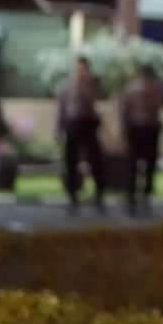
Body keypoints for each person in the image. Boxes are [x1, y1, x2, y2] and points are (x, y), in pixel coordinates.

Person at [56, 56, 106, 214]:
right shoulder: (66, 86)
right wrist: (59, 129)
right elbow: (61, 109)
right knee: (71, 161)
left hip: (89, 124)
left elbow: (96, 100)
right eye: (79, 68)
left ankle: (99, 194)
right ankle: (72, 195)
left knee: (95, 160)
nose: (81, 71)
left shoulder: (92, 85)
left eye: (84, 68)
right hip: (72, 124)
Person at [118, 64, 163, 216]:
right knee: (141, 164)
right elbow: (125, 110)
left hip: (145, 128)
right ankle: (137, 195)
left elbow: (125, 111)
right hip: (142, 128)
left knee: (142, 164)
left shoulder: (150, 89)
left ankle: (138, 195)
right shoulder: (140, 89)